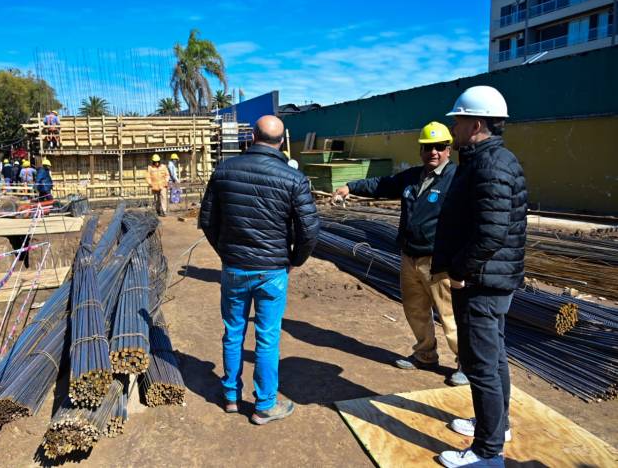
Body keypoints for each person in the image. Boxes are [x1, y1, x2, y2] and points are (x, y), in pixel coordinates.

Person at [199, 115, 320, 425]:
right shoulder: (294, 179)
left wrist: (226, 253)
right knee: (267, 338)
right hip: (272, 271)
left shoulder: (224, 170)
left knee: (233, 331)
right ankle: (265, 404)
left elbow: (208, 221)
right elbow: (309, 231)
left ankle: (230, 397)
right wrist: (294, 260)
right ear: (281, 141)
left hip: (235, 268)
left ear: (252, 136)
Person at [432, 86, 527, 468]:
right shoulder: (487, 160)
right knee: (494, 358)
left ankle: (488, 453)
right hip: (491, 279)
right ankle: (496, 425)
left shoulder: (490, 165)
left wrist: (459, 270)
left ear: (475, 123)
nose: (452, 127)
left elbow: (491, 232)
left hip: (481, 282)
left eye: (457, 120)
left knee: (482, 366)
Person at [333, 122, 467, 387]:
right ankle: (425, 355)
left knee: (451, 314)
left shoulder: (458, 179)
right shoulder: (412, 177)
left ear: (449, 149)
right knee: (415, 310)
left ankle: (467, 364)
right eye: (429, 148)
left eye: (440, 147)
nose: (434, 152)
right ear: (421, 150)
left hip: (439, 261)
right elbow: (381, 184)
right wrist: (350, 186)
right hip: (409, 256)